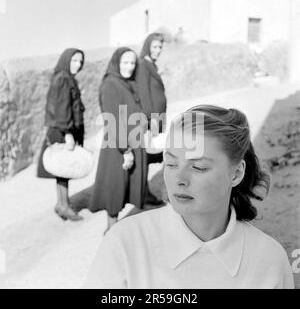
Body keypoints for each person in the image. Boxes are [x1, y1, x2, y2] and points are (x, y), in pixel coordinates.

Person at [84, 105, 294, 289]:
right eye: (172, 163)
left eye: (198, 167)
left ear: (236, 173)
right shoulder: (125, 243)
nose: (179, 179)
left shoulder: (270, 260)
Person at [88, 47, 148, 234]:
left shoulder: (127, 83)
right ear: (116, 63)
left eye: (132, 63)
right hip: (118, 145)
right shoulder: (111, 84)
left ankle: (117, 229)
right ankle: (111, 230)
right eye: (125, 62)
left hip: (133, 140)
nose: (129, 67)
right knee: (116, 185)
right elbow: (112, 120)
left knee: (128, 185)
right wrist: (126, 151)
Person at [37, 48, 85, 221]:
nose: (78, 64)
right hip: (63, 130)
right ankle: (64, 206)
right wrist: (68, 134)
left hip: (64, 129)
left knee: (63, 169)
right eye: (74, 61)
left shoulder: (65, 78)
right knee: (64, 169)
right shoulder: (63, 79)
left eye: (80, 61)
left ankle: (61, 203)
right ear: (66, 60)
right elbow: (61, 109)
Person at [136, 32, 167, 205]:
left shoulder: (151, 65)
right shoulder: (143, 64)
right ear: (148, 45)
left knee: (150, 155)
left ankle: (143, 191)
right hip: (150, 120)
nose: (158, 50)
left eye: (160, 47)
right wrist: (152, 120)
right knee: (146, 156)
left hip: (156, 118)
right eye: (155, 46)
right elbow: (144, 94)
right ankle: (142, 193)